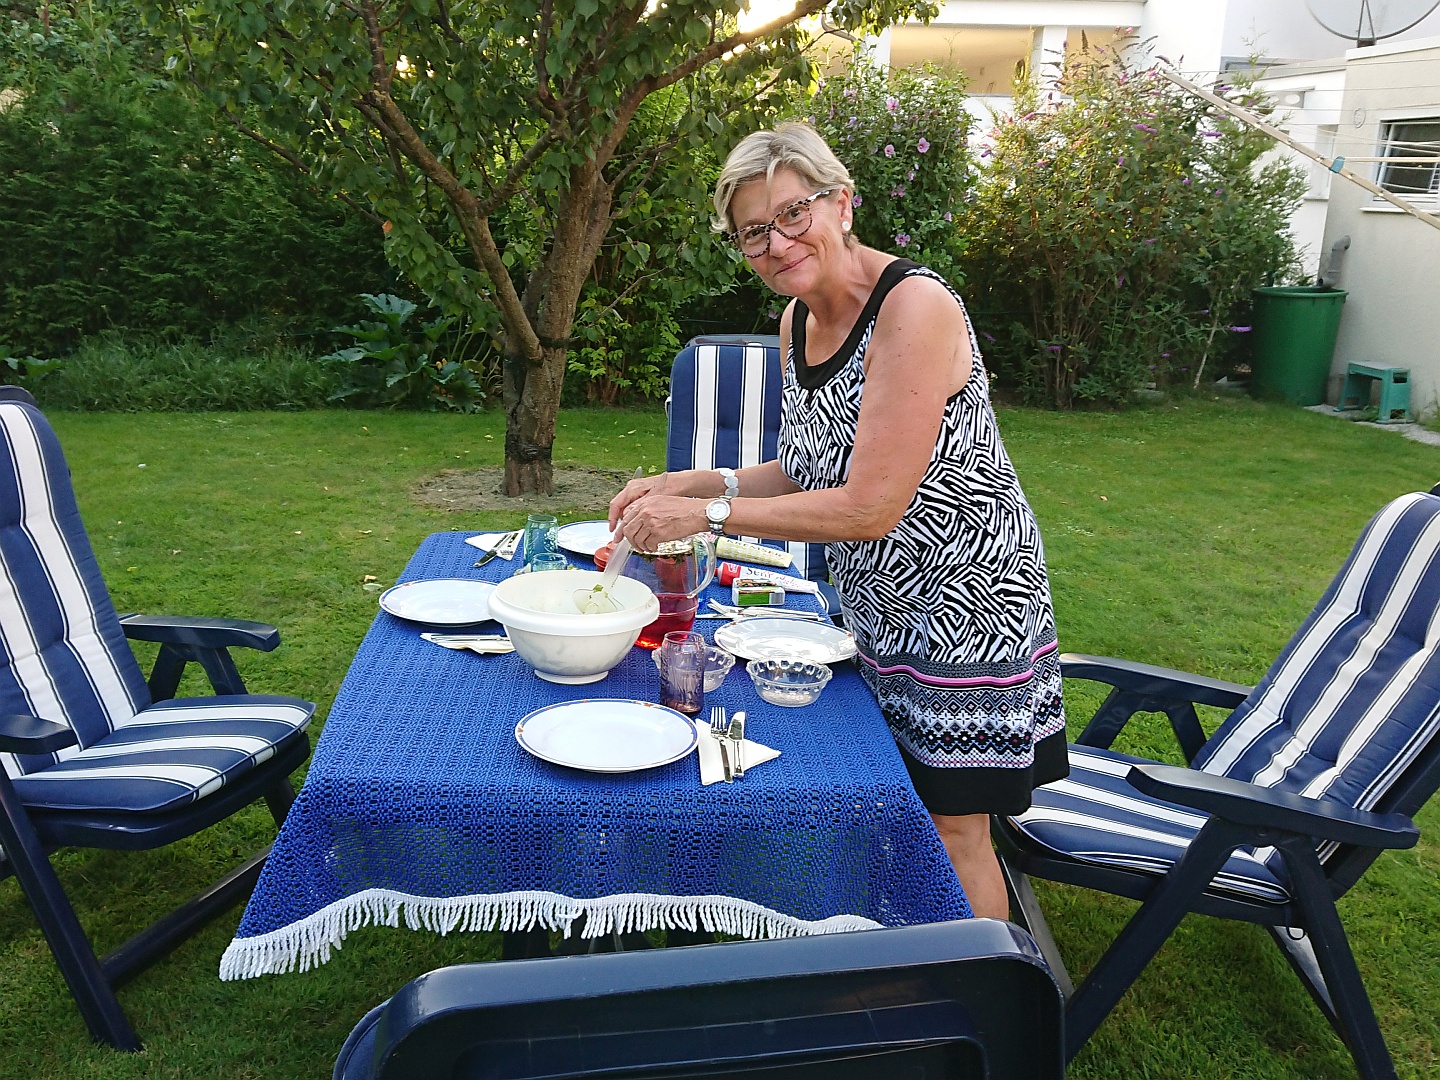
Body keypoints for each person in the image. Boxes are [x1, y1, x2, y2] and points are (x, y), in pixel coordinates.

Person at [607, 123, 1066, 919]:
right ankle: (901, 944)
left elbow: (870, 504)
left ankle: (982, 986)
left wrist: (706, 515)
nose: (778, 243)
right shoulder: (797, 322)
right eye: (753, 231)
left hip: (967, 607)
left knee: (954, 828)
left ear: (843, 203)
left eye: (794, 213)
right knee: (901, 804)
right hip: (878, 607)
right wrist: (693, 479)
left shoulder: (914, 307)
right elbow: (806, 468)